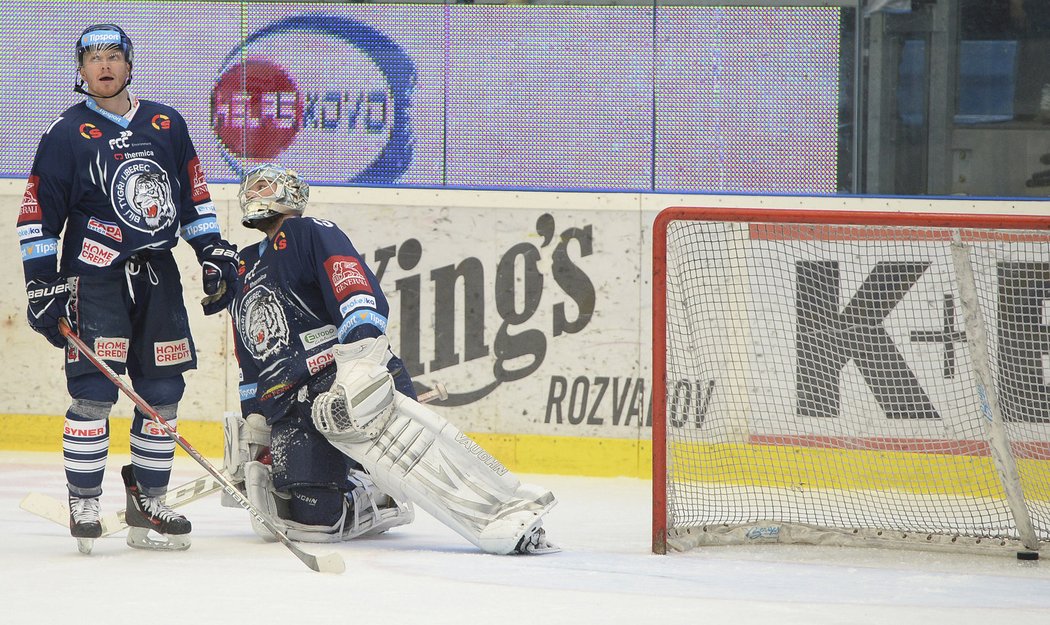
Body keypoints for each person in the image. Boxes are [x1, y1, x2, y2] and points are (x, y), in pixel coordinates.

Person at [223, 164, 557, 553]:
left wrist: (359, 366)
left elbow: (355, 290)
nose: (253, 192)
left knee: (424, 462)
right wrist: (255, 414)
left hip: (343, 381)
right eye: (249, 186)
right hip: (289, 402)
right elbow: (248, 348)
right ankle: (374, 492)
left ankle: (508, 510)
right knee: (312, 522)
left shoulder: (311, 232)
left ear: (289, 192)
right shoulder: (244, 266)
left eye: (263, 185)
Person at [17, 24, 240, 554]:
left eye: (113, 55)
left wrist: (211, 252)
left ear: (129, 63)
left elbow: (193, 200)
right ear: (80, 71)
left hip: (157, 274)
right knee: (94, 392)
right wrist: (41, 285)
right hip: (93, 279)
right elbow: (37, 218)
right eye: (92, 58)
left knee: (163, 392)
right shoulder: (64, 134)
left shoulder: (167, 123)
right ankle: (85, 500)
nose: (103, 66)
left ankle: (150, 500)